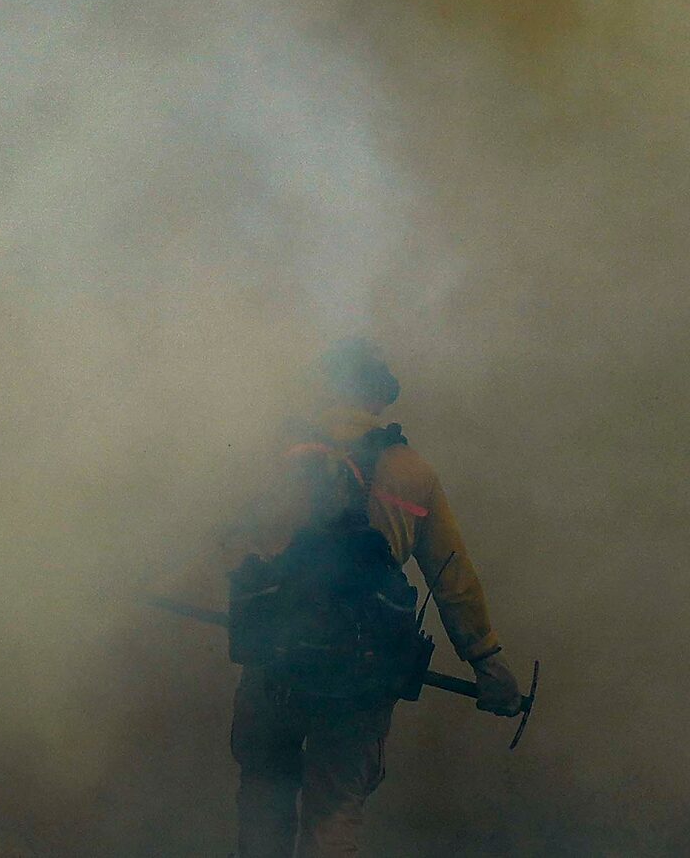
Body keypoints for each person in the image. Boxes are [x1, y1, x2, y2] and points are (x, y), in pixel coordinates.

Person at [218, 339, 523, 858]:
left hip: (275, 666)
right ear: (379, 397)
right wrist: (488, 664)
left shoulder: (277, 456)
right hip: (360, 676)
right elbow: (453, 581)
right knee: (334, 815)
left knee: (264, 804)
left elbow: (233, 546)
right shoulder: (413, 472)